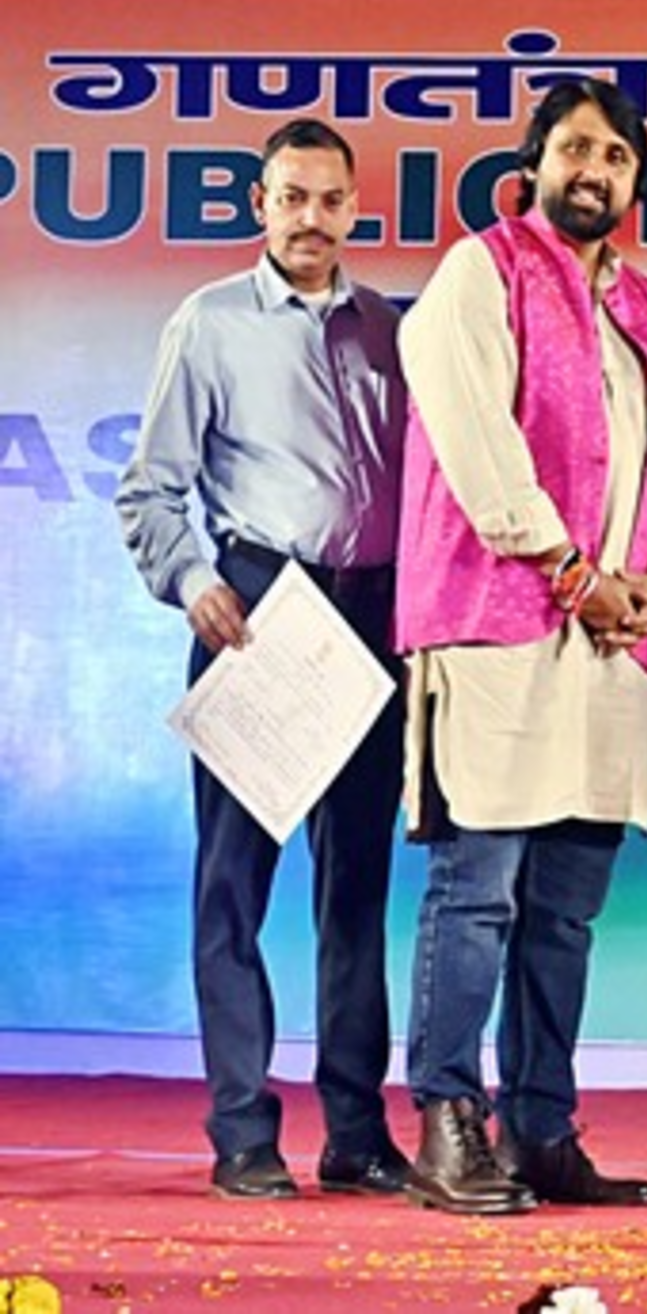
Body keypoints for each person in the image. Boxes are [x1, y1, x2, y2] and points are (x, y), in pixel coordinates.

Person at [393, 76, 647, 1216]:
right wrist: (575, 575)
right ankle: (447, 1120)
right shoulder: (479, 273)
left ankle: (541, 1128)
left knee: (566, 906)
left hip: (609, 645)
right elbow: (479, 445)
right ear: (531, 166)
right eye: (576, 148)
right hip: (498, 624)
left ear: (636, 181)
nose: (595, 170)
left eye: (617, 156)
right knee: (477, 887)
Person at [116, 117, 409, 1201]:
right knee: (233, 886)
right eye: (292, 197)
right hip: (259, 609)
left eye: (330, 199)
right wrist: (194, 581)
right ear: (259, 204)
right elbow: (149, 488)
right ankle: (243, 1130)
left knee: (359, 887)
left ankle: (357, 1133)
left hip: (374, 615)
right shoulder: (211, 323)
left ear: (355, 208)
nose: (311, 219)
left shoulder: (390, 328)